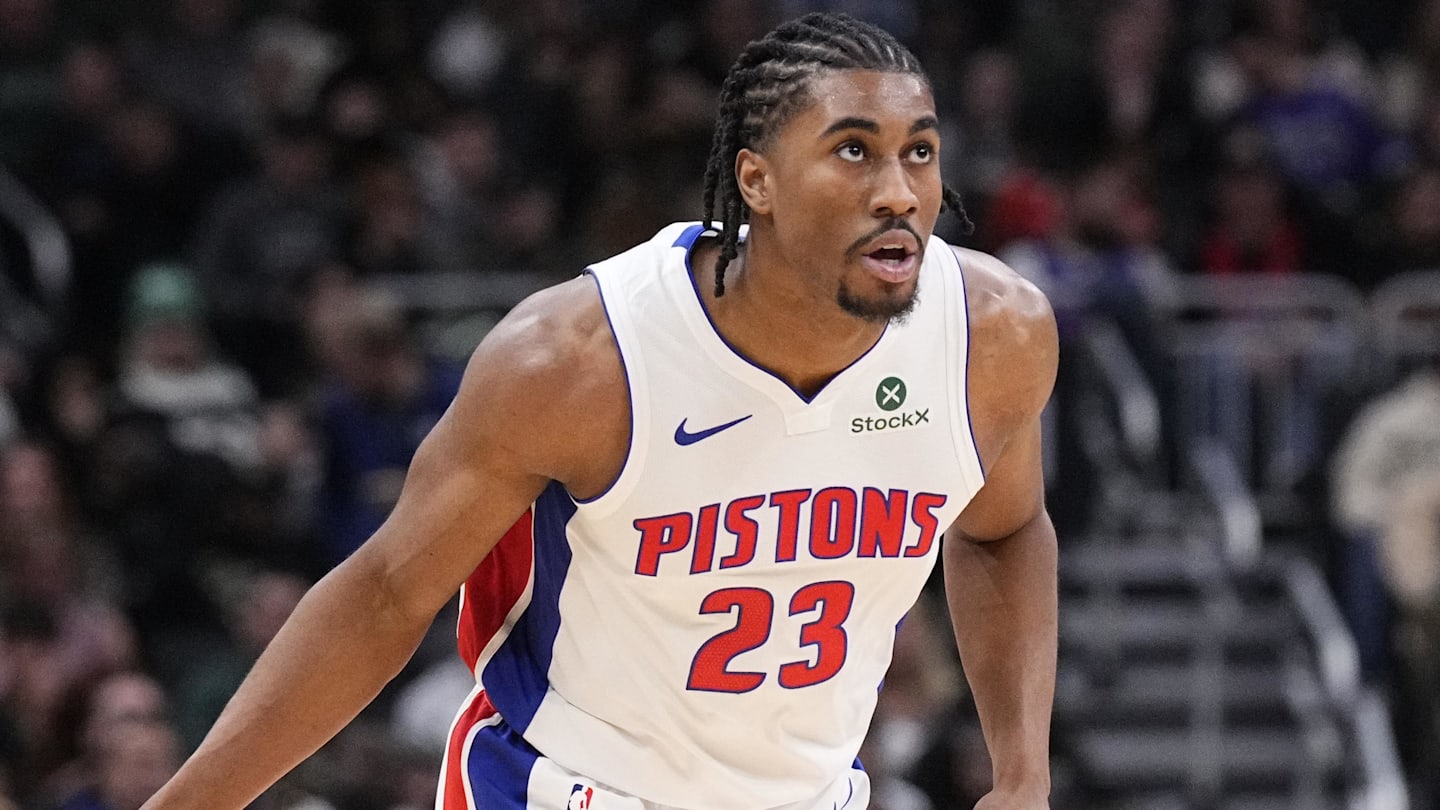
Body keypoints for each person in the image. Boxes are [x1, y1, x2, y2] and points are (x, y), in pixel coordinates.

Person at [141, 12, 1058, 810]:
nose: (899, 190)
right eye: (853, 150)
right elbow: (386, 594)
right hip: (560, 788)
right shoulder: (579, 361)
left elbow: (1003, 533)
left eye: (920, 152)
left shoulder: (993, 340)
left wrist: (1021, 775)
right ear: (757, 181)